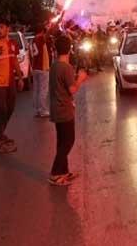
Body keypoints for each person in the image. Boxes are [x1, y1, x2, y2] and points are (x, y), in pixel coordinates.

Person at [48, 35, 87, 186]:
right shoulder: (66, 67)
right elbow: (72, 89)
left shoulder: (54, 65)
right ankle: (55, 173)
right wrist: (81, 79)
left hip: (57, 109)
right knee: (68, 142)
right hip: (64, 110)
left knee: (61, 142)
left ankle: (64, 172)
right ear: (70, 48)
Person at [0, 20, 23, 154]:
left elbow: (15, 61)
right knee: (1, 110)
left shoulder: (12, 44)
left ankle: (0, 134)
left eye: (1, 27)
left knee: (10, 108)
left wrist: (19, 78)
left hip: (10, 82)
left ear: (8, 28)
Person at [31, 25, 53, 119]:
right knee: (43, 90)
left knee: (37, 90)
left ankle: (38, 110)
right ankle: (43, 110)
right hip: (42, 67)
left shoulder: (33, 39)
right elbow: (48, 33)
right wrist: (58, 19)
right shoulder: (40, 38)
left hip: (35, 68)